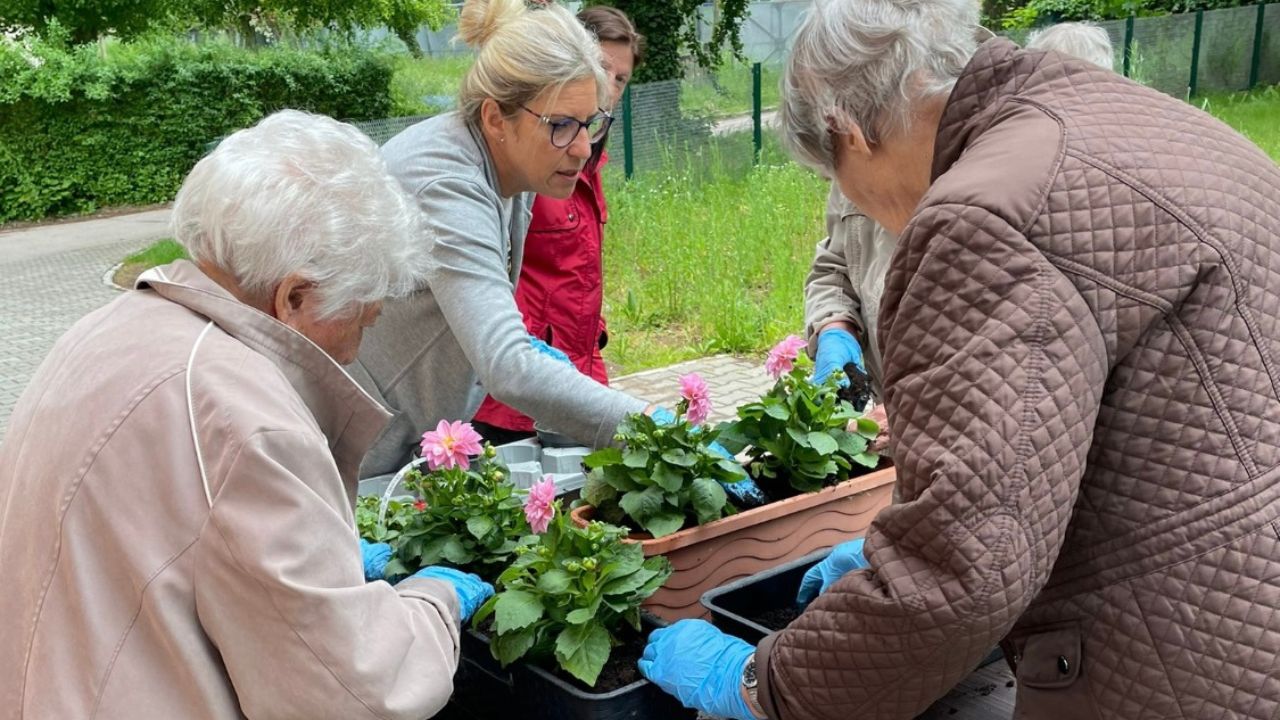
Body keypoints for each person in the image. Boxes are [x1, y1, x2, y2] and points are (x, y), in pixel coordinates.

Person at [639, 0, 1280, 718]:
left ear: (846, 130)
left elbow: (960, 577)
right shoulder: (1159, 124)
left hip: (1166, 669)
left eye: (836, 172)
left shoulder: (984, 217)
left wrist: (765, 683)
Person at [0, 110, 493, 719]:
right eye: (362, 319)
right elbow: (353, 693)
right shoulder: (248, 420)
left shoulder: (106, 329)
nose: (355, 348)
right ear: (294, 297)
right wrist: (432, 599)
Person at [351, 0, 652, 477]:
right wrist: (653, 427)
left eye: (591, 123)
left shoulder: (515, 168)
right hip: (350, 445)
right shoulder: (445, 181)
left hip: (398, 438)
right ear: (495, 118)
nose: (581, 148)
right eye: (560, 126)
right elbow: (506, 364)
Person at [804, 21, 1115, 434]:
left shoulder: (1003, 169)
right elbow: (834, 263)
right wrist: (834, 329)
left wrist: (925, 415)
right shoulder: (857, 151)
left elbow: (1026, 356)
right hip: (892, 417)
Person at [471, 5, 644, 446]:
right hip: (514, 395)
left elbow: (578, 279)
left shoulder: (586, 159)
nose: (609, 88)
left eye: (620, 79)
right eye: (602, 69)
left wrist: (592, 371)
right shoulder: (530, 164)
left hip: (573, 376)